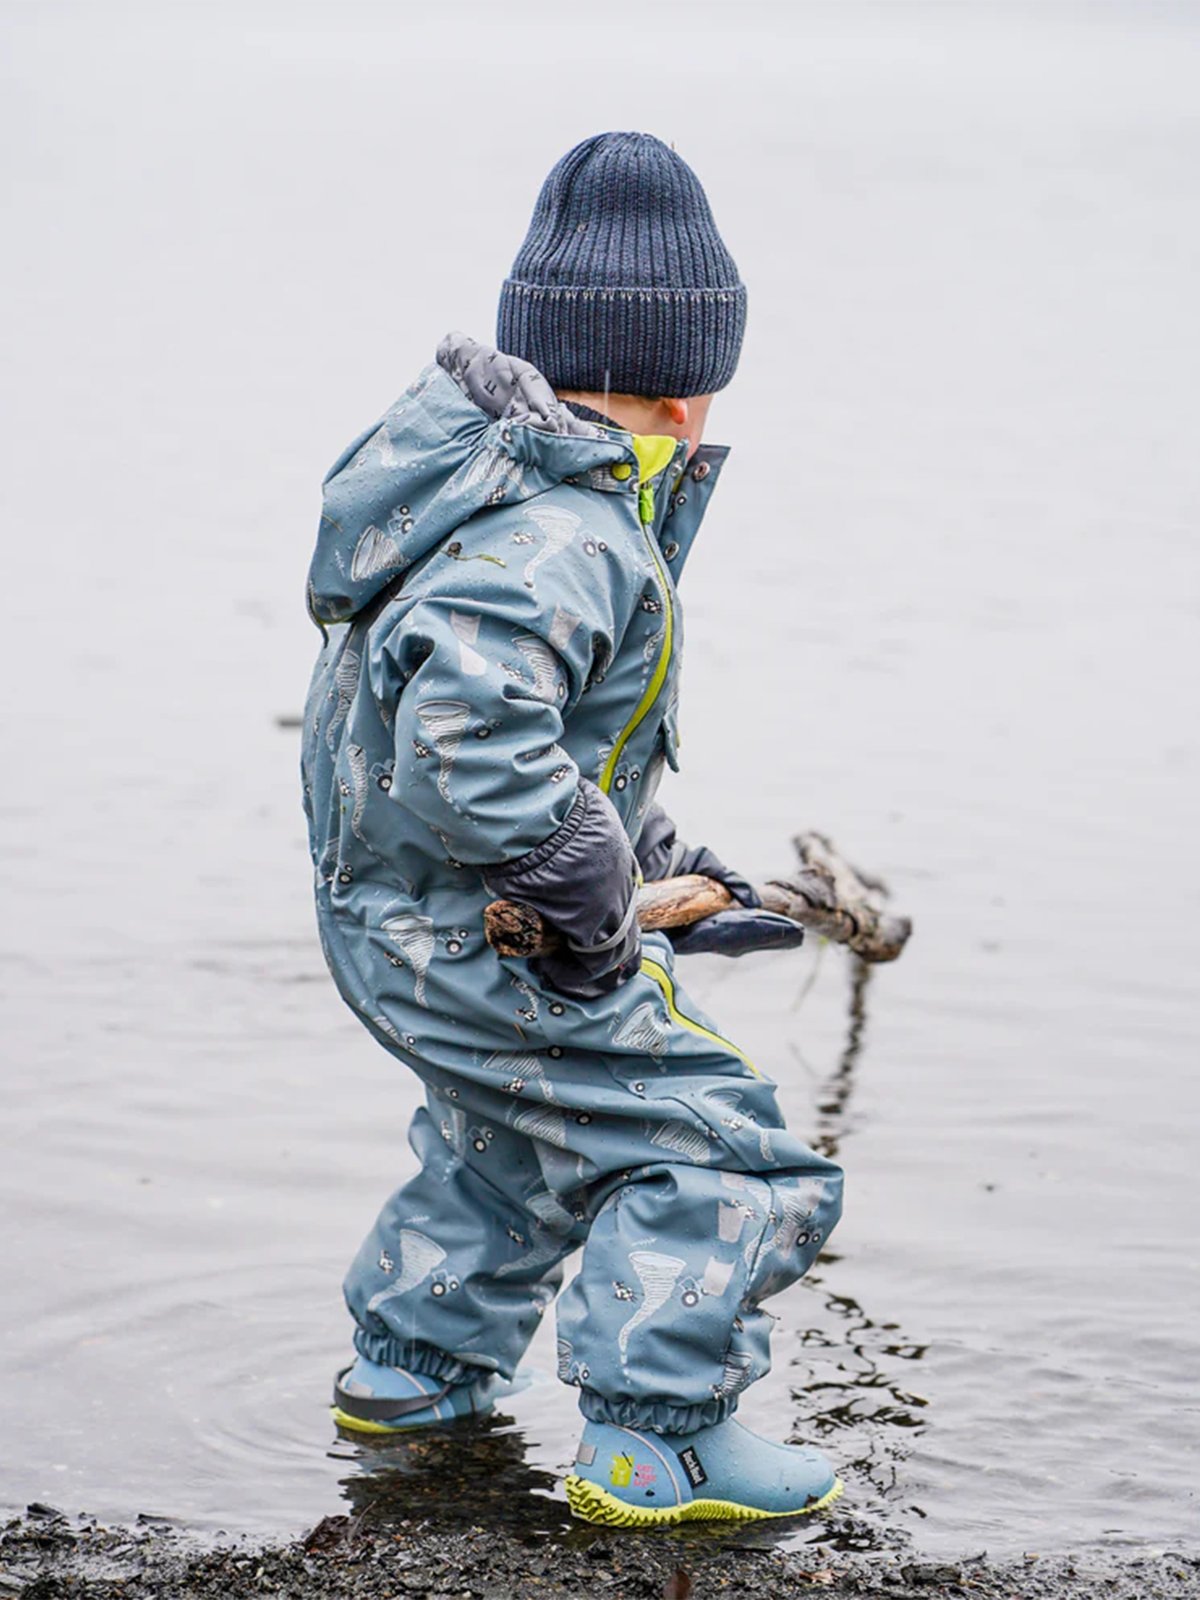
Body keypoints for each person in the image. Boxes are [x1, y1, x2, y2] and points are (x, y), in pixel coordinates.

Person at [300, 131, 845, 1527]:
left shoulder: (489, 502)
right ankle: (660, 1442)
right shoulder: (567, 536)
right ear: (688, 385)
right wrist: (577, 878)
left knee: (515, 1137)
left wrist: (658, 866)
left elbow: (530, 745)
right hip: (479, 931)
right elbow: (468, 733)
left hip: (412, 920)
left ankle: (413, 1374)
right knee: (715, 1148)